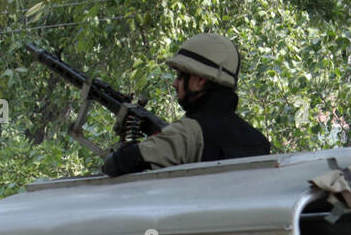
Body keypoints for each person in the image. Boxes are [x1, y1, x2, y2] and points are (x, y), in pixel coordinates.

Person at [101, 33, 270, 177]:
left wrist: (124, 145)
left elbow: (117, 164)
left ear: (201, 80)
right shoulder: (258, 140)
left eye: (181, 76)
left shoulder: (189, 132)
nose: (175, 83)